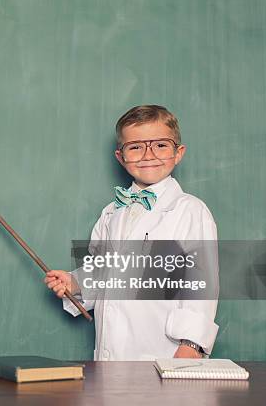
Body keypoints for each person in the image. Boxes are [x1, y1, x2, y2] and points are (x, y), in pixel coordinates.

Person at [44, 105, 219, 360]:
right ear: (120, 156)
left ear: (178, 153)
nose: (148, 155)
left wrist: (190, 347)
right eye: (135, 147)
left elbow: (201, 283)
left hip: (165, 352)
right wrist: (75, 283)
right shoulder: (111, 212)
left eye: (160, 145)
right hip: (111, 350)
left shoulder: (190, 210)